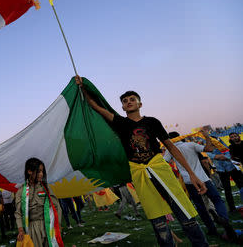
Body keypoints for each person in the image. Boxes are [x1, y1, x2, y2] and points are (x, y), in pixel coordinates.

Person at [75, 76, 208, 246]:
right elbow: (96, 106)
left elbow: (171, 147)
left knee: (183, 211)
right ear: (122, 107)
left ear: (140, 104)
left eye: (132, 99)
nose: (128, 102)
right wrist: (83, 87)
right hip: (139, 173)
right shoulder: (120, 123)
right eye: (125, 101)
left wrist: (192, 174)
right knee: (158, 221)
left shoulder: (152, 122)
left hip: (159, 168)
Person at [165, 131, 235, 240]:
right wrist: (207, 137)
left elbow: (164, 162)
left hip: (189, 181)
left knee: (200, 206)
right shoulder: (190, 144)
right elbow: (209, 149)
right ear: (181, 136)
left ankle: (212, 229)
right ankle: (224, 218)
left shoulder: (170, 149)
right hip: (203, 178)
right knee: (216, 199)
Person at [15, 158, 63, 247]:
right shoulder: (21, 191)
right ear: (29, 171)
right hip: (32, 228)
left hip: (48, 225)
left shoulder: (46, 188)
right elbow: (18, 213)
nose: (41, 174)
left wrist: (58, 224)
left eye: (42, 171)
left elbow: (56, 207)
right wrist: (21, 230)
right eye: (39, 171)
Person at [206, 145, 243, 212]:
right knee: (227, 190)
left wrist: (220, 157)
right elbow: (211, 156)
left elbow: (229, 155)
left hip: (232, 168)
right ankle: (232, 208)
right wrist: (222, 156)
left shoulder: (222, 145)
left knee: (241, 186)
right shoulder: (208, 149)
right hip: (221, 170)